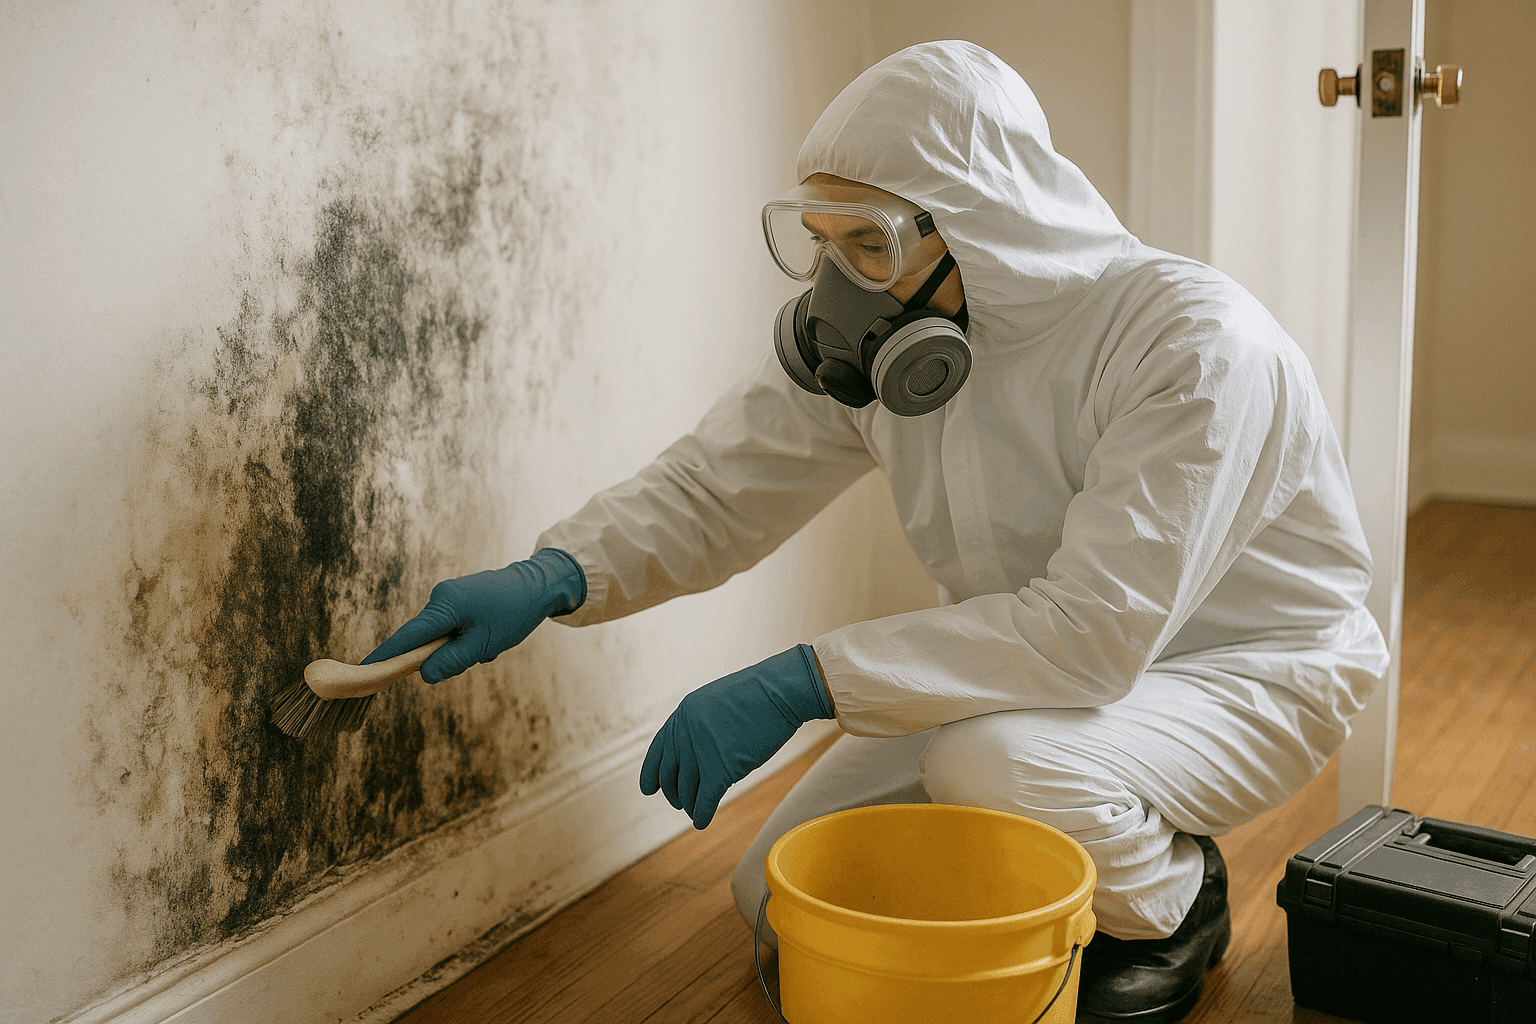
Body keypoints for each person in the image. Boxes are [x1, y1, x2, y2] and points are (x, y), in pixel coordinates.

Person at [364, 40, 1388, 1023]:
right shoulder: (886, 339)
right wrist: (554, 574)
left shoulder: (1191, 345)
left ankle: (1171, 900)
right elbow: (716, 485)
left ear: (983, 228)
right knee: (774, 892)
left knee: (994, 764)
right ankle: (1059, 834)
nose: (839, 283)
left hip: (1247, 672)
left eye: (870, 244)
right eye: (824, 241)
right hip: (1027, 674)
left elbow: (1091, 633)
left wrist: (802, 681)